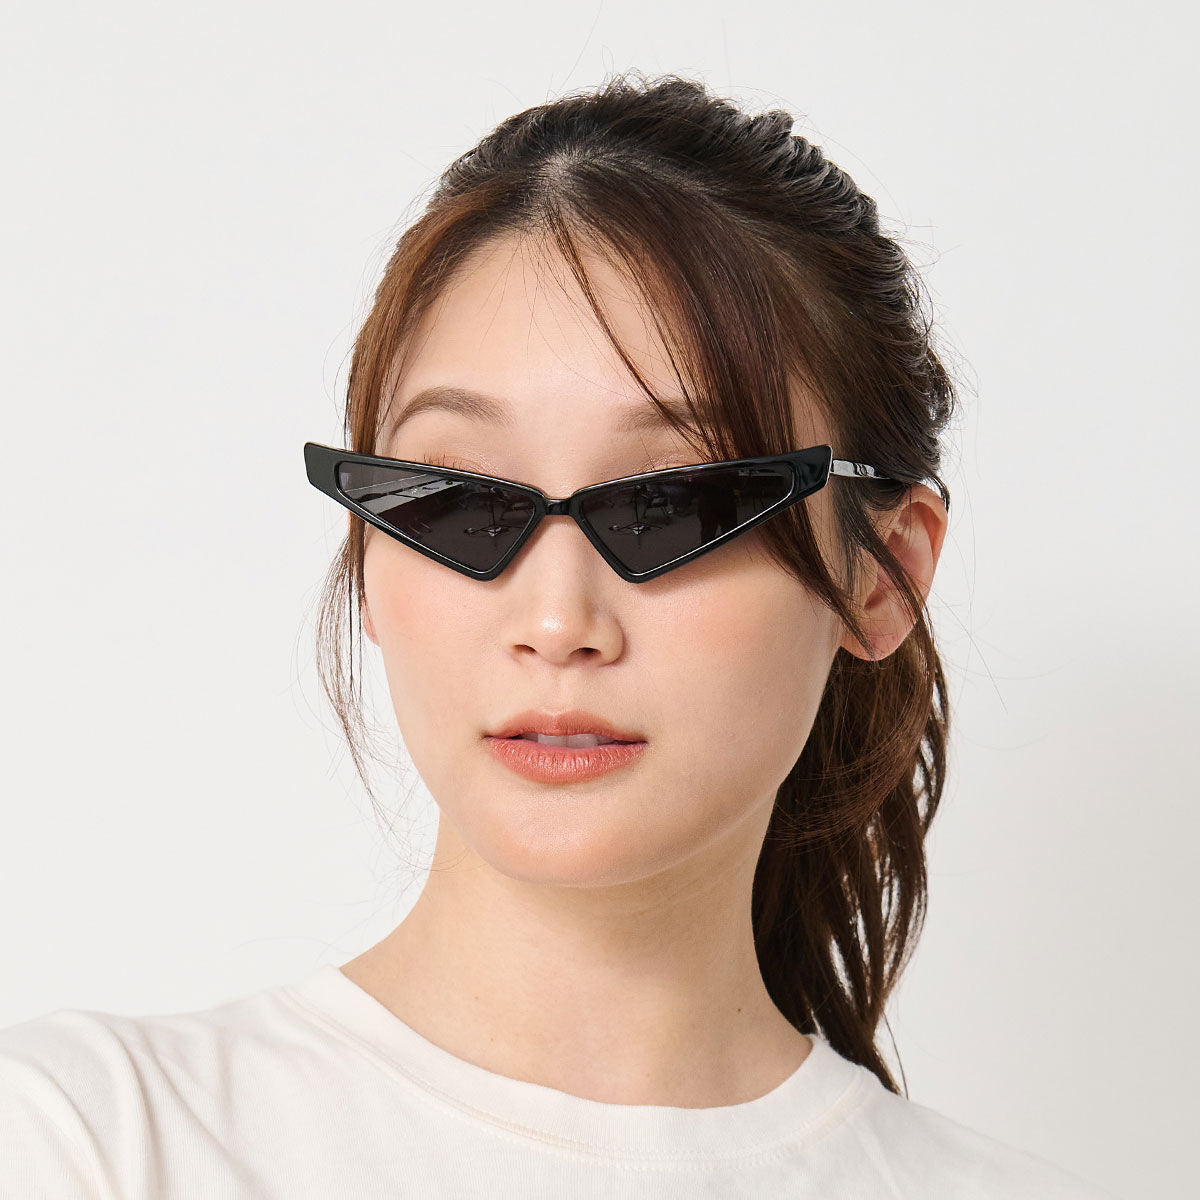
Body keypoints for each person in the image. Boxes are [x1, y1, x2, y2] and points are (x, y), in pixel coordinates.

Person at [0, 72, 1115, 1198]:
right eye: (458, 501)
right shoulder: (84, 1145)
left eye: (675, 505)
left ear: (883, 577)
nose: (554, 622)